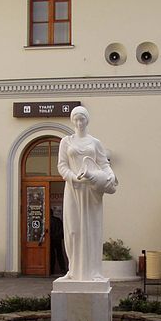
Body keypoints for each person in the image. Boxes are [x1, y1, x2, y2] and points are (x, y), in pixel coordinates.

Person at [57, 106, 117, 281]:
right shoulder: (66, 142)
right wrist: (74, 178)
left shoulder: (95, 142)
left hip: (91, 192)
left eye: (82, 118)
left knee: (92, 230)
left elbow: (104, 164)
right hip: (73, 189)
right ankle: (73, 271)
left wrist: (109, 175)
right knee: (73, 230)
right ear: (72, 120)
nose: (79, 122)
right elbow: (62, 165)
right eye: (75, 119)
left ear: (87, 120)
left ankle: (94, 272)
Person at [50, 209, 66, 274]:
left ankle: (51, 270)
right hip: (58, 240)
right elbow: (62, 230)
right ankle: (63, 269)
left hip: (51, 240)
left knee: (52, 255)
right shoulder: (58, 220)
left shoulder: (47, 221)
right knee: (60, 255)